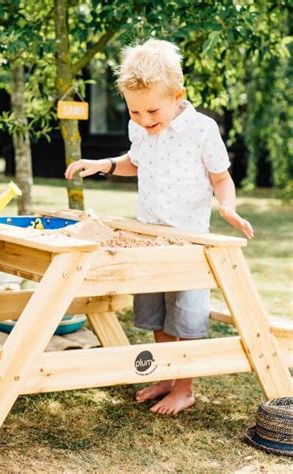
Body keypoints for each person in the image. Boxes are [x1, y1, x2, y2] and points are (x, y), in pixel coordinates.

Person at [65, 39, 254, 415]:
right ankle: (166, 376)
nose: (144, 119)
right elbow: (136, 162)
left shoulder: (202, 129)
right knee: (154, 311)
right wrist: (103, 164)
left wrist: (228, 209)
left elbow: (221, 179)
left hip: (189, 242)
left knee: (185, 315)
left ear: (178, 95)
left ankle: (184, 388)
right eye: (134, 111)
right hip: (149, 237)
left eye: (152, 110)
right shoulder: (140, 128)